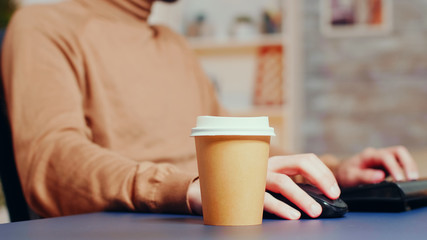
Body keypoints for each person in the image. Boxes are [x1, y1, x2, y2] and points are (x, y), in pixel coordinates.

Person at [1, 0, 419, 220]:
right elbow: (51, 158)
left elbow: (231, 144)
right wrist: (187, 188)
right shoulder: (43, 27)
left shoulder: (172, 43)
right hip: (146, 221)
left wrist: (333, 172)